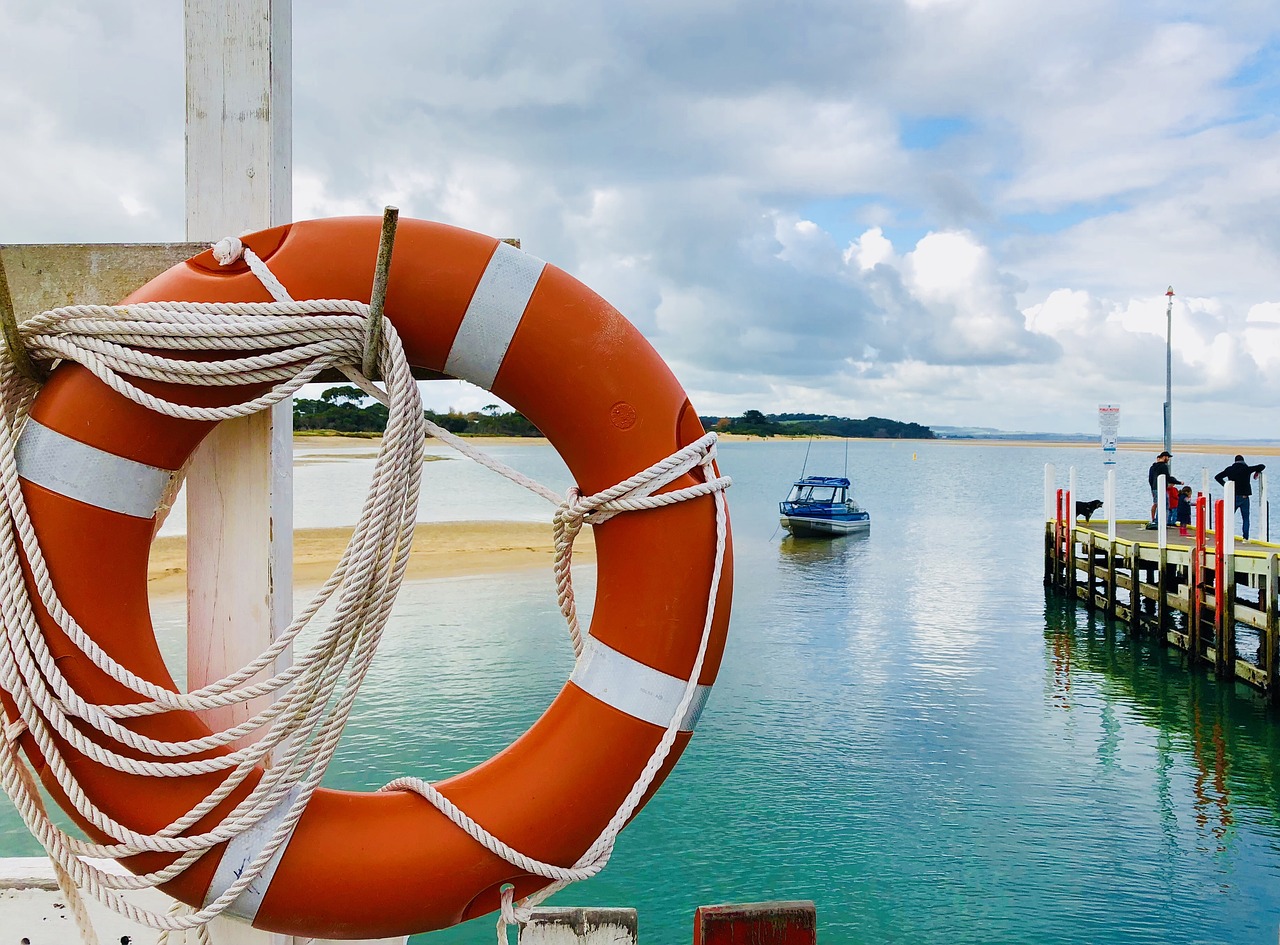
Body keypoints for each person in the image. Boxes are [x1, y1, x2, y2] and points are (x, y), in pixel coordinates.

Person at [1215, 454, 1267, 541]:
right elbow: (1262, 466)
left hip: (1233, 497)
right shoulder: (1246, 469)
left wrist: (1226, 486)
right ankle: (1245, 538)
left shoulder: (1229, 469)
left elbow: (1217, 477)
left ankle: (1225, 536)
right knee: (1245, 519)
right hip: (1244, 498)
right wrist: (1256, 472)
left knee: (1228, 517)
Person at [1147, 450, 1178, 529]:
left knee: (1157, 504)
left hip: (1154, 488)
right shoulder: (1164, 466)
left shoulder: (1152, 467)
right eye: (1168, 457)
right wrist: (1178, 482)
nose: (1168, 459)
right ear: (1164, 457)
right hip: (1161, 489)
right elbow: (1168, 478)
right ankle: (1162, 522)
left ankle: (1156, 520)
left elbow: (1150, 479)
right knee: (1165, 505)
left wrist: (1152, 488)